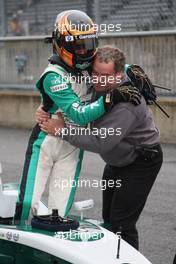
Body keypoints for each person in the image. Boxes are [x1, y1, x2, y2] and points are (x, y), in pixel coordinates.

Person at [14, 10, 140, 222]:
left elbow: (110, 66)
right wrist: (111, 98)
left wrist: (132, 69)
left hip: (72, 145)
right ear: (61, 43)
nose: (85, 51)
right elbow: (79, 115)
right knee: (28, 203)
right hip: (47, 140)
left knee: (59, 211)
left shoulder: (86, 66)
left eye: (88, 44)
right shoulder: (53, 75)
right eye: (78, 45)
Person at [39, 46, 163, 250]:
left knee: (122, 223)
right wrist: (45, 106)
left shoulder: (128, 102)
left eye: (105, 76)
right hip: (117, 160)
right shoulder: (98, 82)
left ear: (118, 75)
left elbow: (100, 141)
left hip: (141, 162)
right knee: (108, 220)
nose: (98, 80)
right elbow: (70, 94)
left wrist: (62, 131)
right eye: (95, 73)